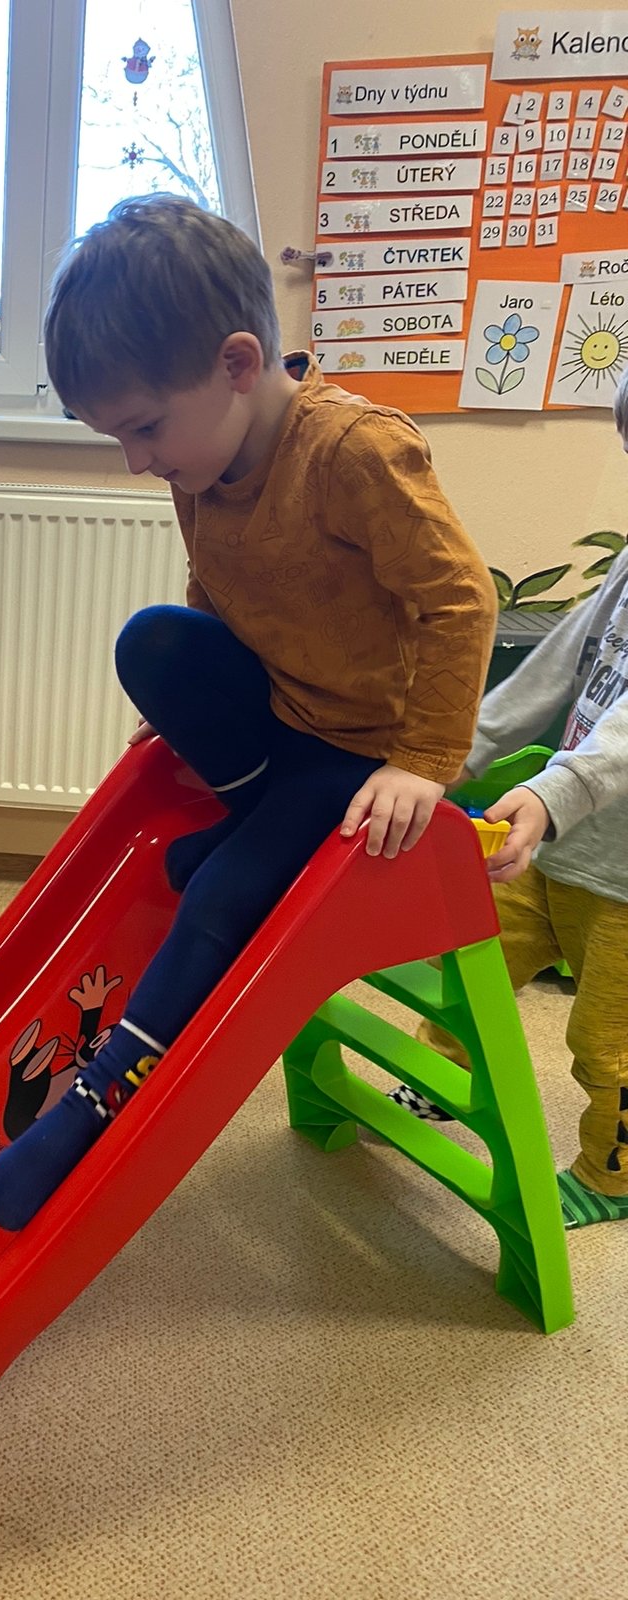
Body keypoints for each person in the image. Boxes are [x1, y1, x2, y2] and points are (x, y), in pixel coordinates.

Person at [0, 194, 498, 1232]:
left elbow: (462, 600)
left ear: (238, 363)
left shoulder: (353, 453)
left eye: (144, 428)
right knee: (155, 641)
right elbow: (221, 583)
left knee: (222, 897)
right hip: (282, 716)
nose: (137, 461)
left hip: (360, 752)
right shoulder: (202, 457)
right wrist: (192, 701)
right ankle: (250, 822)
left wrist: (422, 763)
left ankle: (88, 1108)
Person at [389, 367, 628, 1230]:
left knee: (607, 1045)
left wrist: (556, 789)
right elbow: (558, 667)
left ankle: (611, 1173)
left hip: (622, 881)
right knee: (472, 959)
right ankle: (439, 1078)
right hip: (557, 842)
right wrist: (454, 750)